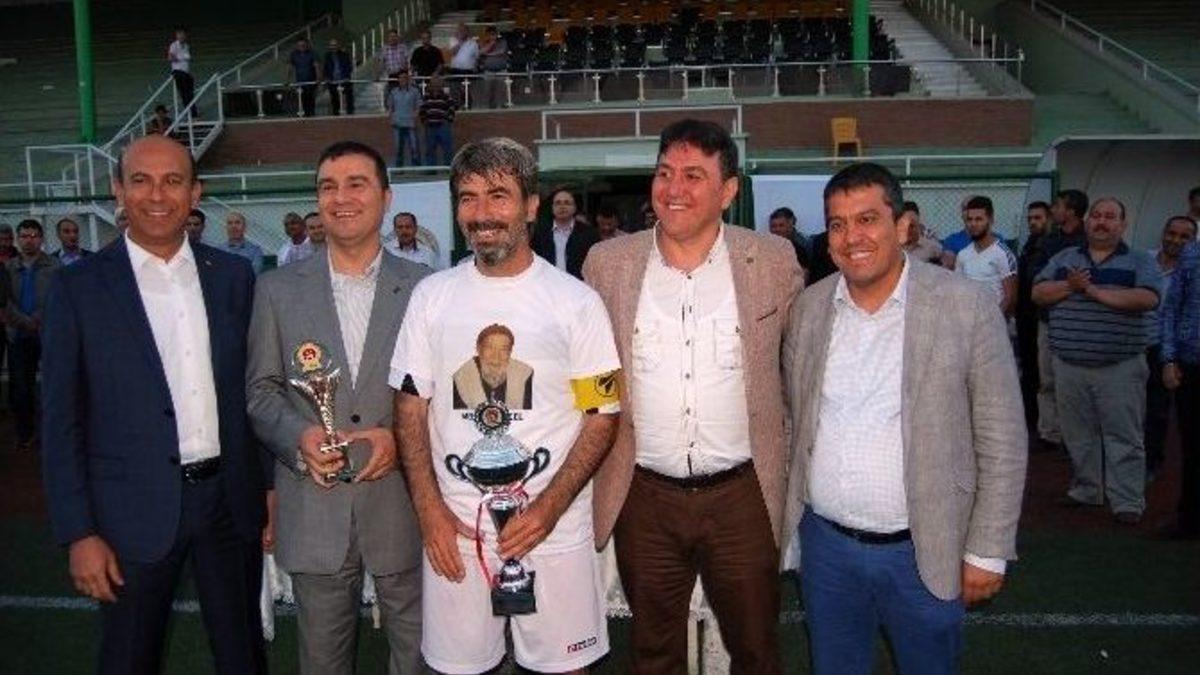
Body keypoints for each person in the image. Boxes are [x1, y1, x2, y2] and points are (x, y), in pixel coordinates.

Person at [781, 162, 1026, 675]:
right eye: (838, 224)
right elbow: (794, 420)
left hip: (924, 548)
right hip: (827, 550)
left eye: (867, 219)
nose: (852, 237)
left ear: (903, 227)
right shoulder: (809, 308)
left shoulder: (965, 306)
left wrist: (988, 548)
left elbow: (1002, 436)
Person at [392, 136, 621, 674]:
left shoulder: (578, 302)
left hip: (552, 530)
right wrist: (430, 513)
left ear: (531, 206)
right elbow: (409, 409)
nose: (482, 214)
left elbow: (603, 416)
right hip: (457, 529)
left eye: (498, 196)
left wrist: (548, 508)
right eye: (468, 198)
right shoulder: (431, 297)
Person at [41, 135, 266, 674]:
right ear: (118, 190)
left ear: (195, 193)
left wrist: (269, 490)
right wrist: (79, 532)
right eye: (140, 180)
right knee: (128, 659)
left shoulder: (233, 276)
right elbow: (61, 421)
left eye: (173, 181)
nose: (157, 195)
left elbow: (251, 393)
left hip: (228, 505)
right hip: (128, 513)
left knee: (242, 657)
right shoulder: (77, 287)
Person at [584, 119, 802, 673]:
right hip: (643, 495)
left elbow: (797, 365)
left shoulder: (773, 261)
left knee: (755, 650)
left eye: (693, 176)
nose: (673, 188)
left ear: (728, 191)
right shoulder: (607, 264)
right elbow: (593, 374)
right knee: (653, 652)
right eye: (664, 173)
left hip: (743, 495)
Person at [247, 141, 428, 674]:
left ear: (386, 198)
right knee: (323, 662)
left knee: (420, 658)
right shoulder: (275, 290)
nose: (340, 197)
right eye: (328, 187)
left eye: (356, 184)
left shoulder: (426, 288)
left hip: (405, 505)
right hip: (315, 505)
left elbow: (442, 395)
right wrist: (299, 439)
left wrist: (401, 441)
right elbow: (261, 391)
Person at [1033, 197, 1160, 524]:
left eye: (1110, 217)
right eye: (1097, 216)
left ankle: (1127, 501)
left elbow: (1147, 298)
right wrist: (1071, 285)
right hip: (1069, 364)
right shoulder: (1065, 258)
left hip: (1120, 366)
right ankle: (1087, 489)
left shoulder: (1139, 261)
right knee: (1078, 434)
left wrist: (1092, 291)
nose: (1102, 222)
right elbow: (1039, 293)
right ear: (1087, 221)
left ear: (1122, 224)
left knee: (1124, 435)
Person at [1031, 188, 1089, 451]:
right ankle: (1050, 433)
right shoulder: (1048, 240)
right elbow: (1035, 276)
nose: (1053, 210)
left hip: (1081, 322)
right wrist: (1069, 284)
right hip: (1049, 319)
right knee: (1047, 378)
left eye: (1058, 206)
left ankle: (1076, 434)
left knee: (1077, 380)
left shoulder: (1089, 241)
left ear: (1071, 211)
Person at [1144, 216, 1197, 481]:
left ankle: (1151, 462)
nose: (1175, 240)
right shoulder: (1144, 260)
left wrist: (1170, 357)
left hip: (1165, 349)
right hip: (1135, 344)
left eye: (1184, 236)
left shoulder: (1191, 270)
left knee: (1157, 409)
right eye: (1171, 233)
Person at [8, 219, 60, 449]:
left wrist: (38, 318)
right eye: (24, 236)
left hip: (48, 334)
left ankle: (53, 432)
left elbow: (58, 297)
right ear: (18, 239)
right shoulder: (8, 268)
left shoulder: (55, 266)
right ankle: (25, 434)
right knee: (21, 388)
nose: (29, 241)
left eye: (34, 236)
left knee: (54, 386)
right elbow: (5, 300)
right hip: (18, 336)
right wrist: (23, 321)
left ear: (41, 238)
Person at [1161, 235, 1200, 539]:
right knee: (1192, 446)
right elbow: (1172, 308)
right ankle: (1189, 520)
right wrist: (1169, 357)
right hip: (1192, 362)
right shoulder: (1192, 255)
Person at [1017, 201, 1053, 435]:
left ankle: (1043, 424)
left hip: (1041, 315)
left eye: (1038, 218)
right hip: (1026, 315)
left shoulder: (1050, 246)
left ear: (1049, 219)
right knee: (1030, 367)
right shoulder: (1030, 244)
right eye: (1030, 218)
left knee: (1043, 372)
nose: (1033, 222)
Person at [954, 195, 1018, 317]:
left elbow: (1010, 298)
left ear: (991, 220)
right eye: (969, 219)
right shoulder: (962, 255)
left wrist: (992, 321)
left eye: (979, 219)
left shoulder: (1003, 254)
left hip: (996, 322)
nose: (973, 224)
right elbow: (958, 291)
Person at [531, 189, 599, 280]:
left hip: (578, 283)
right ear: (552, 208)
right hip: (547, 282)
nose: (562, 207)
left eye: (567, 203)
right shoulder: (540, 233)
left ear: (574, 208)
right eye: (558, 203)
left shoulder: (588, 234)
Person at [418, 74, 457, 167]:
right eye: (434, 82)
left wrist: (449, 120)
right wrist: (424, 120)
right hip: (430, 127)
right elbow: (422, 109)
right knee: (430, 150)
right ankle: (431, 170)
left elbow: (452, 107)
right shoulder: (426, 96)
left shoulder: (446, 96)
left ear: (441, 84)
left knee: (447, 149)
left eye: (438, 82)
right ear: (431, 84)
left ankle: (448, 169)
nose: (436, 84)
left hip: (443, 126)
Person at [387, 71, 422, 168]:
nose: (402, 80)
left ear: (408, 79)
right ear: (398, 80)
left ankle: (416, 168)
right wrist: (391, 118)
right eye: (400, 78)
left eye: (404, 77)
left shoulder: (414, 91)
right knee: (398, 148)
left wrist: (415, 116)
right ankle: (399, 168)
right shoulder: (393, 92)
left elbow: (418, 105)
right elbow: (390, 107)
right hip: (397, 123)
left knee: (414, 147)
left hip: (410, 123)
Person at [768, 205, 811, 274]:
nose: (777, 229)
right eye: (773, 226)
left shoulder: (801, 245)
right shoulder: (766, 245)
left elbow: (804, 273)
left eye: (781, 225)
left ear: (790, 225)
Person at [218, 210, 264, 275]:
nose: (233, 226)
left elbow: (254, 274)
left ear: (244, 227)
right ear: (226, 227)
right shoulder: (218, 251)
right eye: (230, 223)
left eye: (237, 223)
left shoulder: (255, 251)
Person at [938, 195, 976, 269]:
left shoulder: (996, 240)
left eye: (973, 208)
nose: (969, 212)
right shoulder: (952, 241)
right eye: (965, 209)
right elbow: (946, 268)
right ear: (962, 215)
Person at [476, 26, 508, 108]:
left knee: (501, 89)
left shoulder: (502, 42)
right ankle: (490, 106)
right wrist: (491, 44)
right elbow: (481, 52)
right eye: (490, 34)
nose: (492, 36)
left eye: (494, 34)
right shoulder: (484, 43)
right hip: (488, 71)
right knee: (488, 90)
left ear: (497, 34)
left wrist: (488, 54)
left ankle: (502, 105)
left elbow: (501, 52)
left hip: (501, 70)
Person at [288, 38, 320, 118]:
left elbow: (317, 66)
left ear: (307, 45)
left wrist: (318, 78)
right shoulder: (294, 54)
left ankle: (311, 116)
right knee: (302, 100)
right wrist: (288, 80)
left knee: (310, 101)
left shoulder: (312, 53)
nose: (301, 47)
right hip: (300, 82)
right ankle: (304, 116)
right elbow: (290, 67)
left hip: (311, 82)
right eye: (299, 45)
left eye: (303, 45)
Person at [323, 38, 355, 116]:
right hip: (332, 81)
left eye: (335, 45)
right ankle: (336, 115)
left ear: (338, 46)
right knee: (334, 100)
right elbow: (326, 68)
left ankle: (350, 113)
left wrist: (346, 76)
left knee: (349, 97)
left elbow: (348, 66)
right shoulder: (327, 56)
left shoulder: (344, 55)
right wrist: (327, 77)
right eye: (332, 45)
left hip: (344, 79)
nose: (333, 47)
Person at [378, 29, 411, 96]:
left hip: (402, 75)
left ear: (397, 37)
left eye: (394, 36)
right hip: (391, 76)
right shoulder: (385, 49)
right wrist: (377, 75)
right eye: (391, 37)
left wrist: (408, 72)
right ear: (388, 38)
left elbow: (408, 61)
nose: (392, 38)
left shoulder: (403, 48)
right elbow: (380, 62)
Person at [167, 27, 194, 110]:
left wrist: (181, 57)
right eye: (179, 35)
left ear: (185, 36)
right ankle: (190, 111)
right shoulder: (174, 45)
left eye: (183, 35)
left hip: (185, 72)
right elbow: (170, 58)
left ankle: (192, 110)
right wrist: (180, 57)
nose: (181, 36)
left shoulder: (186, 46)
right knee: (185, 92)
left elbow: (188, 59)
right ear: (177, 36)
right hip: (178, 71)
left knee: (190, 89)